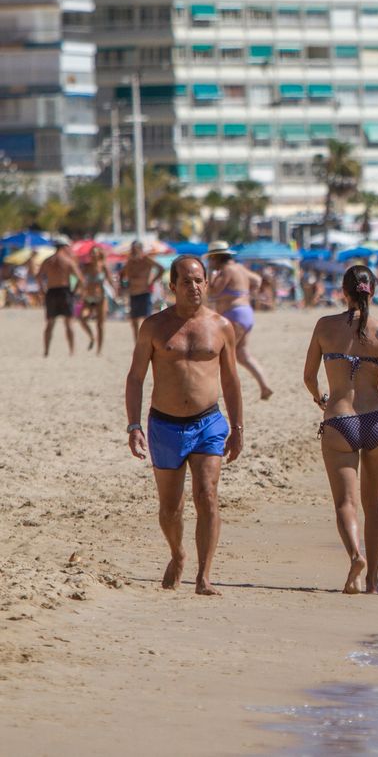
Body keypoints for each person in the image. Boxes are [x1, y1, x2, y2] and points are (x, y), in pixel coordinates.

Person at [124, 255, 244, 595]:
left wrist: (237, 428)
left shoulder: (221, 326)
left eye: (199, 280)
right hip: (165, 425)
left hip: (208, 421)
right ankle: (177, 554)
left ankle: (204, 575)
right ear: (172, 286)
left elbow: (232, 380)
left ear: (207, 283)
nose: (194, 287)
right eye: (186, 281)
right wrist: (133, 425)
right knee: (170, 507)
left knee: (207, 494)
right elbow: (135, 378)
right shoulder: (154, 326)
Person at [302, 265, 378, 594]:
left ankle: (355, 556)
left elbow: (308, 377)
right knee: (374, 502)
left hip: (340, 419)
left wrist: (322, 399)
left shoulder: (325, 326)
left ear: (344, 292)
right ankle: (374, 581)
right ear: (372, 291)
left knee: (345, 503)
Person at [206, 242, 273, 400]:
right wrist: (246, 293)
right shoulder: (239, 268)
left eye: (211, 259)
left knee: (222, 354)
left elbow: (213, 292)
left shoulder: (226, 270)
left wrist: (210, 273)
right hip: (245, 313)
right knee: (242, 354)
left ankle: (215, 390)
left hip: (233, 314)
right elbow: (257, 279)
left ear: (215, 257)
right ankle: (265, 386)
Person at [37, 244, 83, 356]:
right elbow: (80, 279)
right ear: (63, 248)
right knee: (69, 323)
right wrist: (74, 291)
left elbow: (38, 276)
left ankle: (46, 351)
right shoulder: (68, 261)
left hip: (51, 291)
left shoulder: (48, 261)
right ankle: (72, 350)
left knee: (50, 323)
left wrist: (43, 290)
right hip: (65, 291)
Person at [121, 240, 162, 337]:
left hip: (144, 292)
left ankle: (148, 341)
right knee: (134, 321)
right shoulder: (130, 261)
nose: (134, 252)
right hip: (133, 293)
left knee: (147, 320)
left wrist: (152, 281)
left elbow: (161, 268)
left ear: (140, 250)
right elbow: (123, 274)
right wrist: (124, 285)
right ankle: (137, 343)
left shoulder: (146, 260)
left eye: (135, 250)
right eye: (132, 250)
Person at [79, 246, 111, 355]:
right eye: (91, 253)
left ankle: (99, 350)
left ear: (99, 254)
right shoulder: (86, 267)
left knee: (100, 325)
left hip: (101, 298)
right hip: (88, 298)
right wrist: (78, 291)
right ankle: (92, 337)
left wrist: (117, 292)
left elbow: (110, 280)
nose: (92, 255)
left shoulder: (103, 267)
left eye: (95, 253)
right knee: (82, 319)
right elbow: (79, 279)